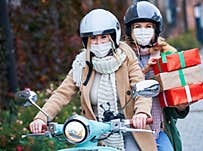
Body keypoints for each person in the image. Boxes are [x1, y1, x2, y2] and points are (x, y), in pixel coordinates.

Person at [29, 9, 157, 151]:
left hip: (129, 128)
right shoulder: (81, 64)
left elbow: (140, 88)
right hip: (93, 133)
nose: (98, 42)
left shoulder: (127, 58)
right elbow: (62, 93)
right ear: (86, 41)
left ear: (113, 37)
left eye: (104, 37)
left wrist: (141, 113)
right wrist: (41, 117)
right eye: (93, 38)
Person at [124, 1, 190, 151]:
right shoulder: (123, 56)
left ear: (156, 30)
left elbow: (174, 105)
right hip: (130, 130)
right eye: (137, 27)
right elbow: (122, 90)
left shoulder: (167, 55)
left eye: (148, 27)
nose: (143, 31)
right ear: (130, 30)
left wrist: (181, 105)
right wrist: (145, 70)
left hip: (159, 128)